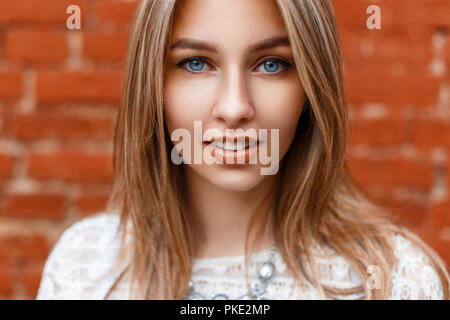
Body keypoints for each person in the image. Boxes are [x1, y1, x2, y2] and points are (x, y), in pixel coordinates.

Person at [36, 0, 449, 300]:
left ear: (311, 85)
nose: (235, 108)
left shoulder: (394, 281)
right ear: (152, 85)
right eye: (196, 63)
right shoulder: (84, 270)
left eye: (271, 64)